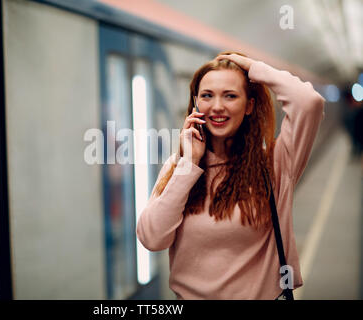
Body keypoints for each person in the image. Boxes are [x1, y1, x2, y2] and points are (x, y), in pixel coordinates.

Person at [136, 51, 325, 300]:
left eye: (230, 96)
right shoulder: (179, 166)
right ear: (194, 104)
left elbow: (309, 102)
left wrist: (252, 67)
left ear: (249, 106)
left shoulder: (276, 163)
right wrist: (190, 163)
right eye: (207, 96)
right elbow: (152, 238)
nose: (217, 106)